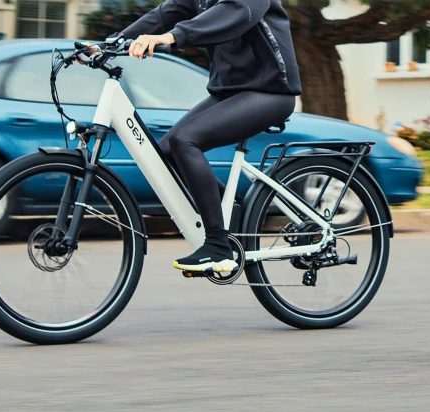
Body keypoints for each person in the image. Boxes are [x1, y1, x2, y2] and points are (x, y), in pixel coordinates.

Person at [85, 0, 302, 273]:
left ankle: (218, 247)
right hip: (230, 91)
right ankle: (234, 216)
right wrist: (109, 44)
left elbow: (238, 11)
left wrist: (172, 36)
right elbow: (164, 14)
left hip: (271, 91)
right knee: (166, 152)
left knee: (185, 140)